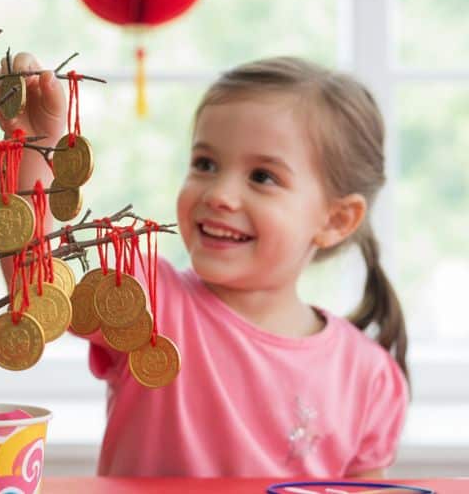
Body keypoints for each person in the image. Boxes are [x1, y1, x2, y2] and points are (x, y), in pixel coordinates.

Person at [80, 57, 410, 477]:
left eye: (262, 176)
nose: (219, 194)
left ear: (335, 219)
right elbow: (34, 288)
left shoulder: (368, 378)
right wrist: (33, 150)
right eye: (205, 164)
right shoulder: (144, 299)